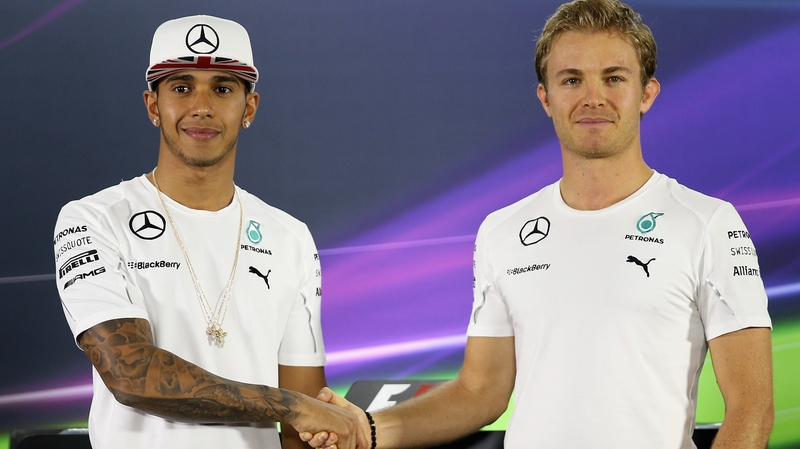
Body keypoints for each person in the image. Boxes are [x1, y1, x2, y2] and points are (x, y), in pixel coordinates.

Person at [302, 1, 774, 448]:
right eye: (572, 80)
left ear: (646, 93)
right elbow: (479, 393)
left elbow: (751, 406)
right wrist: (367, 428)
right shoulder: (503, 231)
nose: (593, 97)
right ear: (545, 98)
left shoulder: (707, 223)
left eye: (614, 78)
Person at [53, 15, 363, 449]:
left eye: (222, 88)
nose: (202, 106)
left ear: (249, 107)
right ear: (153, 105)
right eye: (181, 87)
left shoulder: (290, 237)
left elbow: (306, 419)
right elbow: (132, 375)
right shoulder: (92, 219)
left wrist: (312, 417)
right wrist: (289, 406)